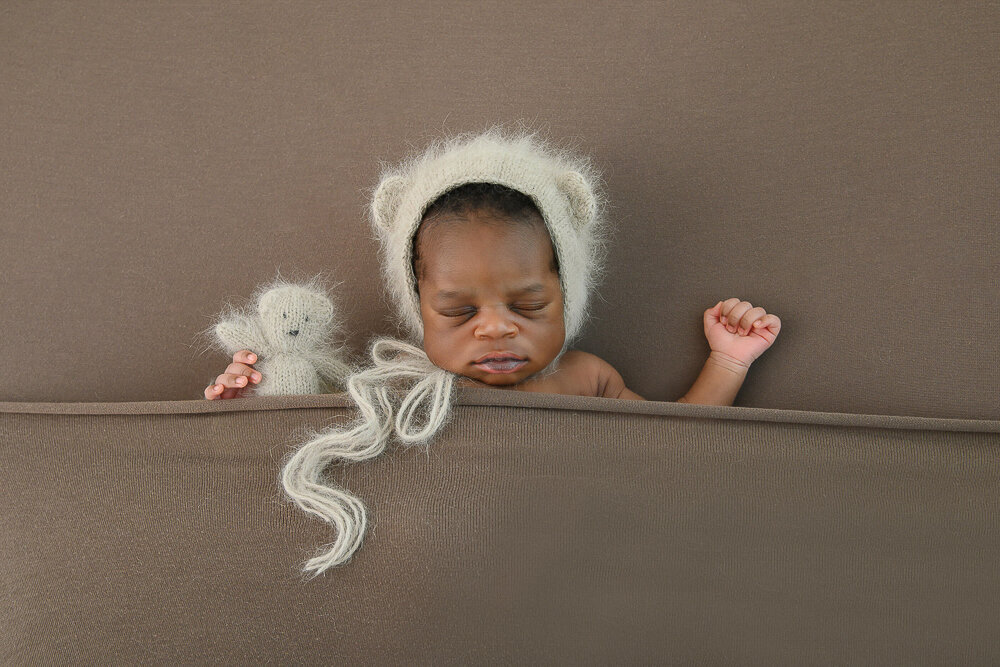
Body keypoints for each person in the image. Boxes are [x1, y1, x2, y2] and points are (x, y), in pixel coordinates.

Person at [205, 127, 781, 576]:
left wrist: (728, 361)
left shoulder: (588, 377)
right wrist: (255, 395)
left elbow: (675, 445)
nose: (496, 329)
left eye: (528, 306)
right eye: (460, 312)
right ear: (419, 310)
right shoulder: (404, 392)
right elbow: (310, 453)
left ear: (568, 296)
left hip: (578, 565)